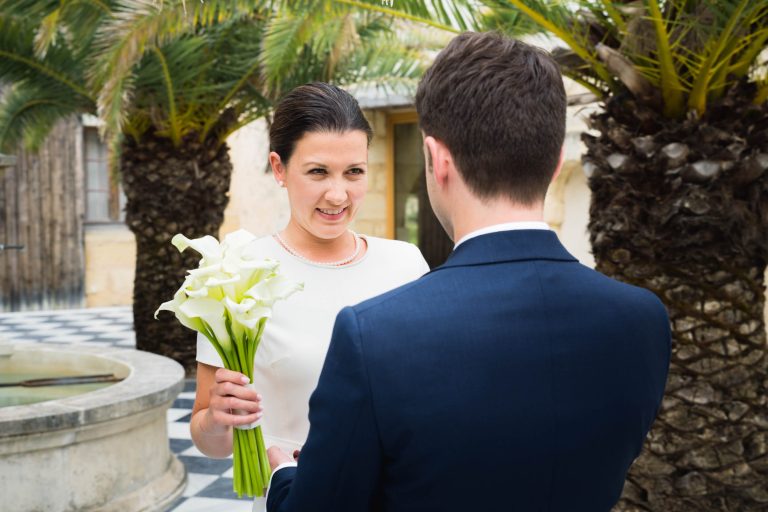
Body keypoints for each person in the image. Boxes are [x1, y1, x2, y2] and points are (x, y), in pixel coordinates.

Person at [265, 32, 671, 512]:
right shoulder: (643, 320)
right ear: (557, 159)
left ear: (437, 160)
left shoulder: (373, 334)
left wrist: (285, 476)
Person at [189, 83, 429, 509]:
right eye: (318, 172)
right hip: (294, 497)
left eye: (354, 172)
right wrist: (217, 418)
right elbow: (211, 442)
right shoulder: (236, 272)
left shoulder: (406, 264)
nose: (338, 195)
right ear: (279, 169)